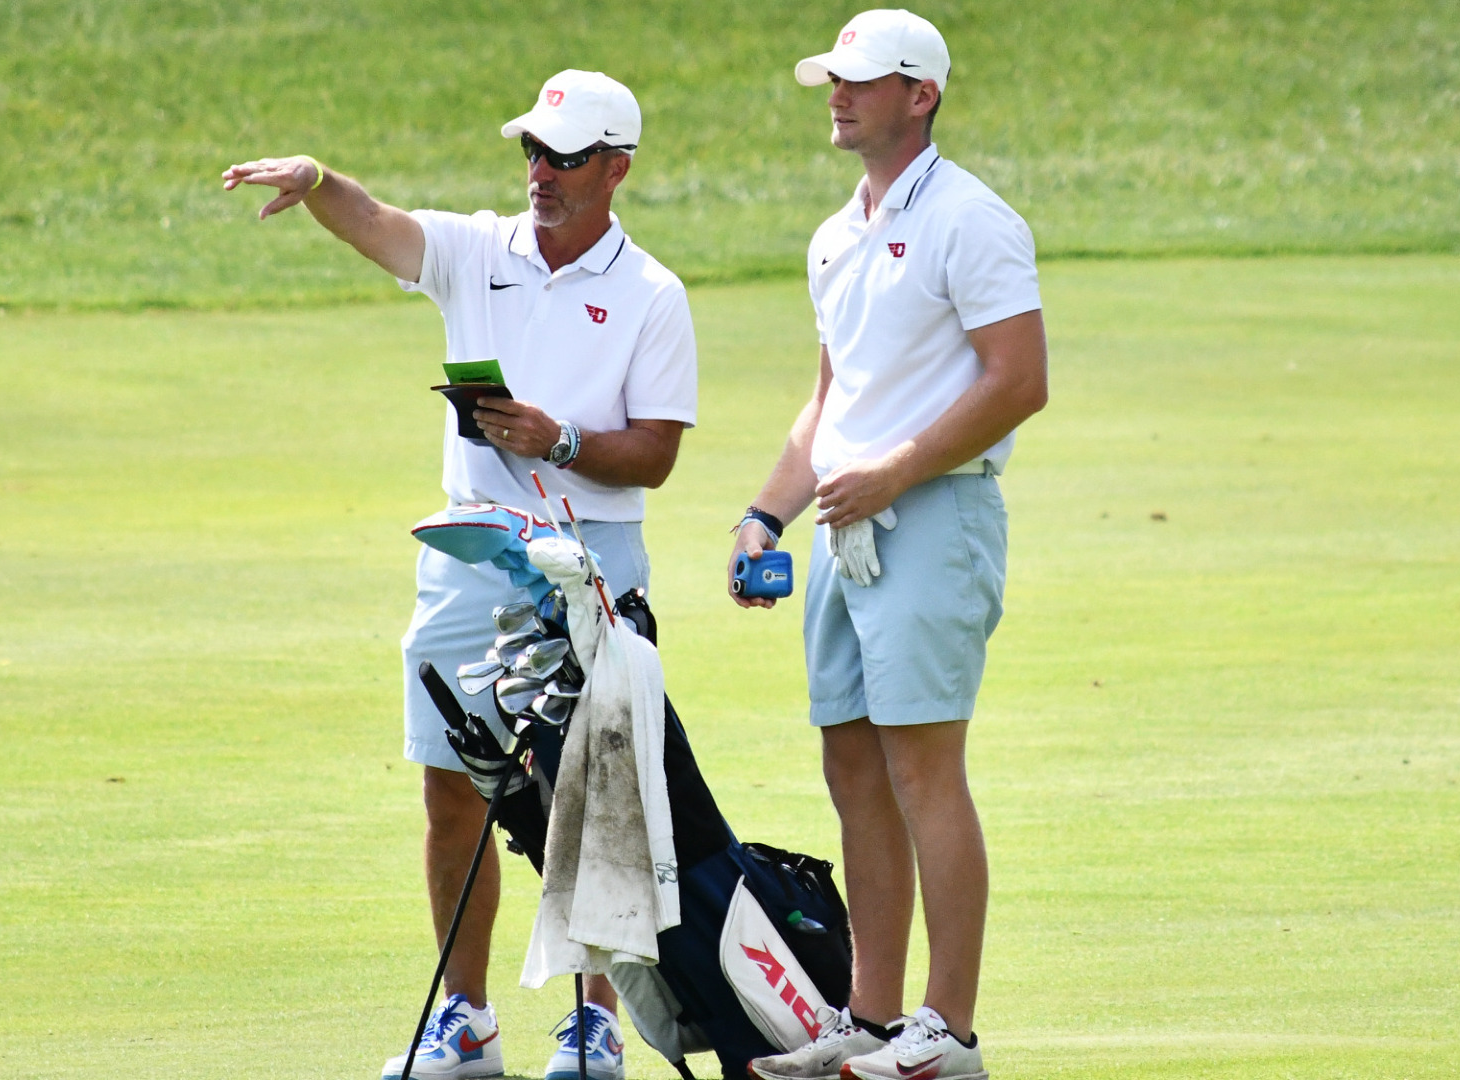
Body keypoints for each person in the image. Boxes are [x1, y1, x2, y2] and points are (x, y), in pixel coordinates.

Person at [224, 69, 696, 1080]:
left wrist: (556, 438)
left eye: (565, 157)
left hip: (588, 565)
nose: (541, 172)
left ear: (616, 168)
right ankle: (468, 1021)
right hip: (469, 554)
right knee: (452, 797)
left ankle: (595, 1024)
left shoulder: (653, 295)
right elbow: (381, 226)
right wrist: (316, 180)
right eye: (532, 149)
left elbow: (655, 453)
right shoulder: (480, 250)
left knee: (590, 800)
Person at [727, 11, 1046, 1080]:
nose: (838, 94)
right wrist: (766, 513)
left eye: (863, 82)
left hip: (932, 517)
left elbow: (1019, 381)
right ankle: (867, 1019)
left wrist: (895, 473)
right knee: (851, 766)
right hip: (843, 525)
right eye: (834, 79)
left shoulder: (971, 219)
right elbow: (830, 402)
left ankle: (945, 1033)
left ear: (922, 95)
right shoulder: (835, 234)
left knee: (923, 769)